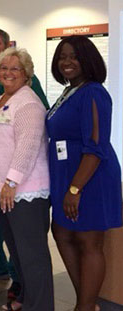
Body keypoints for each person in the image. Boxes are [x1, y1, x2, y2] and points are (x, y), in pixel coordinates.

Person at [0, 28, 49, 299]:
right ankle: (22, 295)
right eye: (4, 67)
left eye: (15, 68)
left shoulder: (27, 100)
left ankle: (35, 301)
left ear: (27, 74)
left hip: (21, 189)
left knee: (30, 254)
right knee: (15, 247)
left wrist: (11, 181)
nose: (8, 72)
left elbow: (28, 144)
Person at [47, 35, 122, 311]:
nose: (67, 62)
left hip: (91, 177)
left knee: (89, 241)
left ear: (87, 59)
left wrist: (75, 189)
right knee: (62, 231)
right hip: (67, 173)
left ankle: (85, 306)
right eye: (62, 56)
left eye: (73, 56)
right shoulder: (70, 91)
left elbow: (95, 146)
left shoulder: (93, 92)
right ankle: (87, 303)